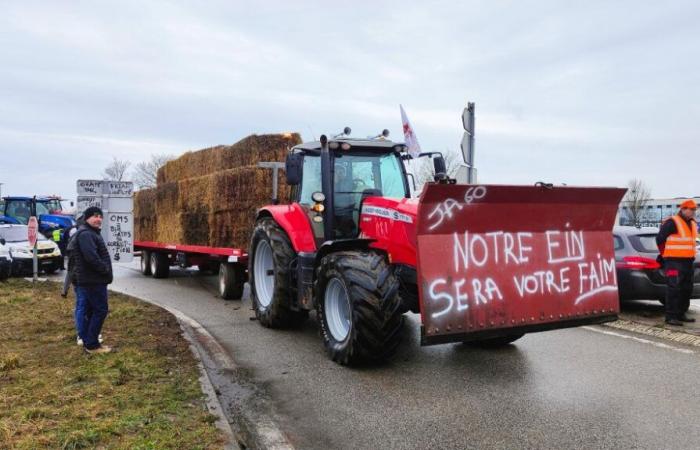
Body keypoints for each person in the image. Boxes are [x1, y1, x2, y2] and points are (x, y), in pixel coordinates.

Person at [72, 206, 113, 353]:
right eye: (95, 216)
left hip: (92, 280)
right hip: (93, 280)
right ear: (87, 218)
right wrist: (105, 269)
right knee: (100, 310)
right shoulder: (86, 234)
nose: (99, 219)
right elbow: (91, 257)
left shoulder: (90, 233)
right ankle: (92, 344)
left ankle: (89, 342)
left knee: (92, 311)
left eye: (100, 216)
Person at [656, 199, 698, 326]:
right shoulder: (672, 222)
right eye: (691, 210)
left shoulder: (692, 223)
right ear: (683, 209)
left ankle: (681, 313)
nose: (693, 212)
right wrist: (665, 255)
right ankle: (671, 316)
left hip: (688, 262)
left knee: (686, 289)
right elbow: (660, 239)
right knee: (674, 288)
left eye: (694, 210)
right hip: (673, 261)